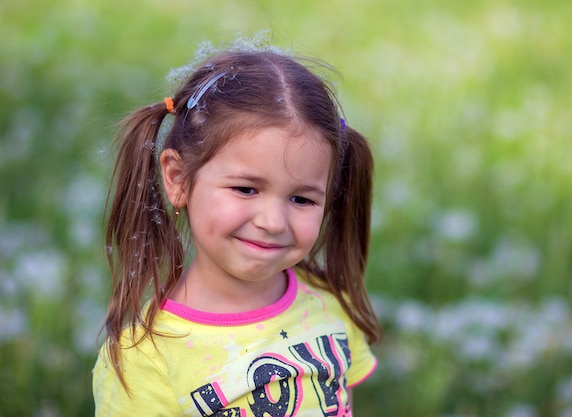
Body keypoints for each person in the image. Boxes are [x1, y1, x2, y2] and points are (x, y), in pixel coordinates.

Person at [93, 45, 382, 417]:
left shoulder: (328, 304)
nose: (273, 222)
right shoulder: (146, 360)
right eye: (246, 189)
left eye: (302, 199)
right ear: (178, 178)